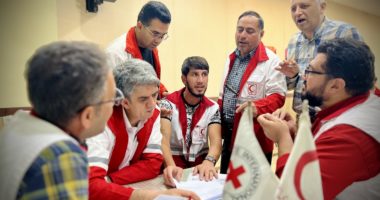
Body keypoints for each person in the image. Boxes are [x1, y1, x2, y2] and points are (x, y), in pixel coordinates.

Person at [0, 41, 199, 200]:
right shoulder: (61, 156)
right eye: (113, 98)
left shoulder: (18, 125)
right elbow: (91, 187)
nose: (116, 105)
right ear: (87, 115)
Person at [258, 38, 380, 199]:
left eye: (310, 71)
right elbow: (318, 155)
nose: (304, 77)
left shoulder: (351, 136)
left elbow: (292, 192)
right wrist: (295, 134)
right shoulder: (358, 104)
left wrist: (282, 138)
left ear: (336, 85)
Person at [217, 11, 287, 174]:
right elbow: (223, 95)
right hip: (228, 138)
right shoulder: (231, 58)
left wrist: (256, 106)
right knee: (226, 187)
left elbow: (278, 97)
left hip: (255, 142)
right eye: (239, 29)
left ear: (261, 34)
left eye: (249, 31)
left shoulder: (272, 61)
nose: (242, 35)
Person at [276, 0, 363, 119]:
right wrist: (292, 76)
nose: (297, 13)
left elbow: (360, 81)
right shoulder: (293, 41)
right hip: (302, 119)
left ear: (322, 7)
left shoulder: (345, 33)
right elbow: (290, 85)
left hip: (336, 119)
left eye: (304, 6)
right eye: (293, 9)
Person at [160, 56, 222, 186]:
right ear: (184, 79)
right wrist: (171, 167)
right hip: (172, 167)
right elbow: (163, 141)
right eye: (195, 74)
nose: (200, 80)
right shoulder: (167, 104)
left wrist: (209, 162)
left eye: (204, 74)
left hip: (199, 171)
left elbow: (216, 143)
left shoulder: (213, 107)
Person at [106, 0, 171, 98]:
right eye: (155, 34)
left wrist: (161, 92)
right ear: (140, 26)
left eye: (162, 36)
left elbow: (148, 80)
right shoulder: (116, 54)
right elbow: (112, 96)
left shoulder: (150, 45)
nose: (158, 41)